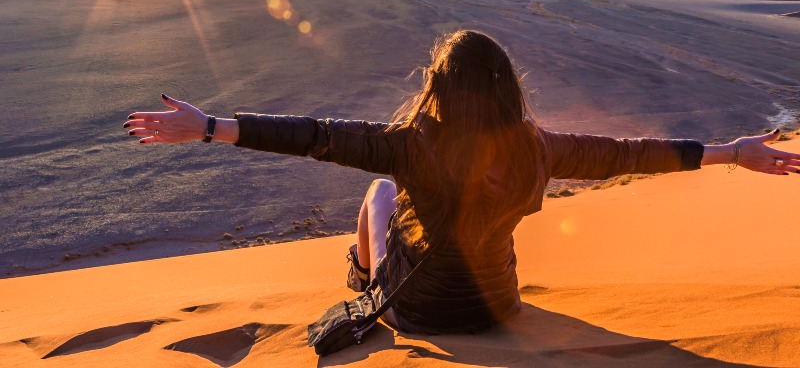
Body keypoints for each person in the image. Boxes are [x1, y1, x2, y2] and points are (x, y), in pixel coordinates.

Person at [124, 30, 799, 334]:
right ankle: (374, 279)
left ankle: (361, 281)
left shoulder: (410, 145)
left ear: (440, 90)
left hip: (420, 312)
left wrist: (210, 126)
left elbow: (315, 135)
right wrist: (731, 153)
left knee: (379, 194)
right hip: (500, 308)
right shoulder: (540, 147)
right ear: (507, 90)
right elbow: (630, 154)